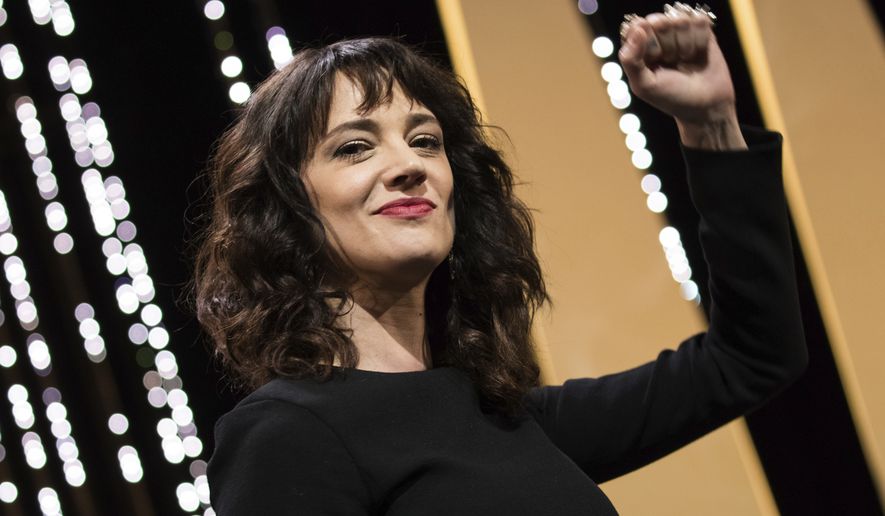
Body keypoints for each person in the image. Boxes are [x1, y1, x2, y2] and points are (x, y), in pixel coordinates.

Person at [196, 4, 808, 515]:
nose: (410, 165)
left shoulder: (509, 416)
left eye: (425, 141)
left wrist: (711, 123)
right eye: (355, 147)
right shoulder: (285, 435)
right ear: (285, 210)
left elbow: (752, 357)